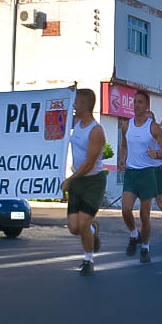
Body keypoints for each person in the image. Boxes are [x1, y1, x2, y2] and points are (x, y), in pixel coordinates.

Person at [58, 88, 107, 274]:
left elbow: (89, 163)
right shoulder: (77, 122)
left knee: (83, 223)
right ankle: (93, 230)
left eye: (76, 102)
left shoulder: (96, 131)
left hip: (93, 182)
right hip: (78, 180)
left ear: (85, 105)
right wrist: (69, 93)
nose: (74, 106)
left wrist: (69, 180)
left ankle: (89, 260)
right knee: (73, 227)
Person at [119, 90, 162, 263]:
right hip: (131, 173)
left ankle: (145, 247)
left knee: (144, 215)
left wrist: (156, 154)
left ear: (146, 106)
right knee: (125, 209)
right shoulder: (126, 125)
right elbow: (124, 146)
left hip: (147, 174)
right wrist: (121, 159)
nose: (136, 105)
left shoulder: (153, 127)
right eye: (134, 102)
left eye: (140, 102)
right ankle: (134, 234)